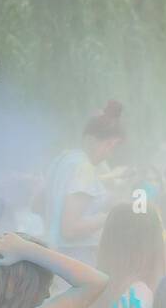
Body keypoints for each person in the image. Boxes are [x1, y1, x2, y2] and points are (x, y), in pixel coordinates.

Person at [43, 100, 128, 260]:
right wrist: (111, 214)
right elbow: (70, 229)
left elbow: (37, 204)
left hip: (52, 253)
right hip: (73, 259)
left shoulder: (64, 159)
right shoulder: (85, 168)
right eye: (112, 146)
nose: (110, 154)